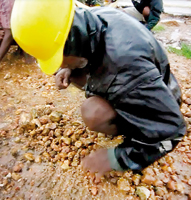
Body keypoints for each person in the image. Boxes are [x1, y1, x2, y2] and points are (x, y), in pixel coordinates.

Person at [11, 0, 186, 179]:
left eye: (59, 58)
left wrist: (118, 158)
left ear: (70, 45)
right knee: (78, 77)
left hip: (156, 103)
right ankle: (121, 111)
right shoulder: (94, 18)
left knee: (93, 113)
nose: (58, 65)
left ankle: (134, 132)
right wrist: (67, 68)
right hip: (143, 80)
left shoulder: (125, 69)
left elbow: (172, 130)